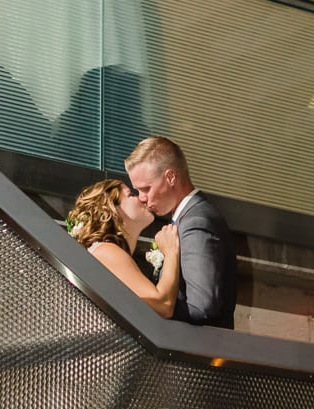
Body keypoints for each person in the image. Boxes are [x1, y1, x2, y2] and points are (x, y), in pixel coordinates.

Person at [125, 136, 236, 328]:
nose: (141, 198)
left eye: (146, 189)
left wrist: (147, 308)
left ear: (171, 177)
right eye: (138, 190)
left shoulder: (196, 222)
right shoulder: (187, 219)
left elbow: (202, 306)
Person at [67, 176, 181, 317]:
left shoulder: (105, 252)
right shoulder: (106, 251)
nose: (142, 198)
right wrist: (171, 252)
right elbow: (163, 304)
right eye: (131, 195)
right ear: (112, 209)